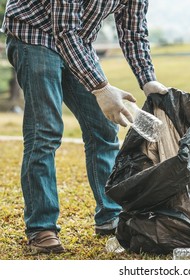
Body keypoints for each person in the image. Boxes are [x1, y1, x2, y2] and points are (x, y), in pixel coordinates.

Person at [1, 0, 167, 254]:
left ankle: (110, 215)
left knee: (104, 129)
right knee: (45, 131)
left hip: (77, 43)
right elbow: (63, 30)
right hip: (34, 35)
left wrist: (148, 79)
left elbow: (134, 32)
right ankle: (41, 227)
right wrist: (100, 88)